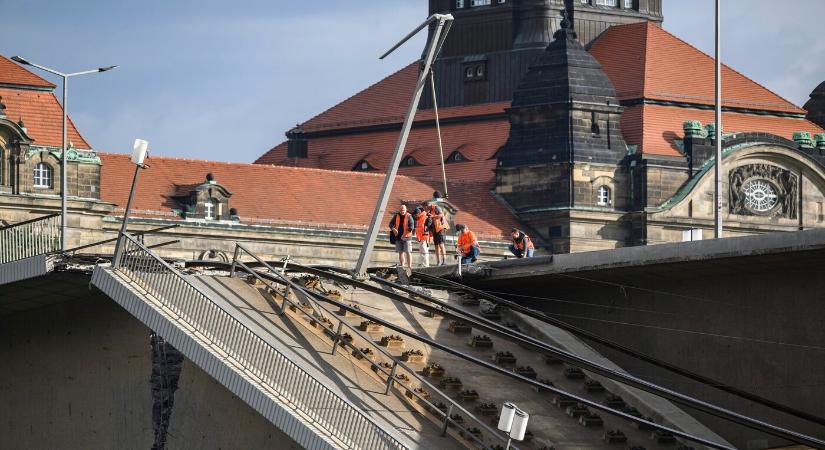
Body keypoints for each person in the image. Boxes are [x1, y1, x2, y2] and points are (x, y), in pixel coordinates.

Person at [426, 192, 449, 265]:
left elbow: (441, 215)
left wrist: (433, 216)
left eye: (426, 207)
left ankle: (444, 261)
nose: (426, 208)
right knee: (436, 245)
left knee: (441, 244)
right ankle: (438, 261)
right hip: (435, 229)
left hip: (440, 228)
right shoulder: (429, 210)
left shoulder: (436, 207)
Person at [388, 204, 414, 269]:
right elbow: (390, 224)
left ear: (406, 210)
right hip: (398, 237)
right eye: (401, 210)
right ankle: (402, 266)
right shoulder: (396, 216)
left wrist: (404, 234)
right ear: (399, 210)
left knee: (408, 252)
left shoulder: (409, 216)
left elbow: (411, 227)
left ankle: (409, 267)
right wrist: (393, 229)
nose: (402, 211)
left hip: (407, 238)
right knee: (400, 252)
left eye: (403, 210)